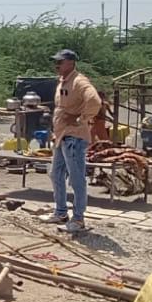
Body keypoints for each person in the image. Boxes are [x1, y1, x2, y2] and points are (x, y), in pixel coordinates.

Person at [49, 49, 101, 233]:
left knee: (76, 178)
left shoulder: (79, 81)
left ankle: (78, 219)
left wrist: (80, 119)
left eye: (60, 62)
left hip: (74, 137)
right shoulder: (63, 81)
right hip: (62, 135)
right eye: (56, 62)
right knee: (56, 173)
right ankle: (61, 212)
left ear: (70, 63)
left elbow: (94, 101)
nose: (57, 65)